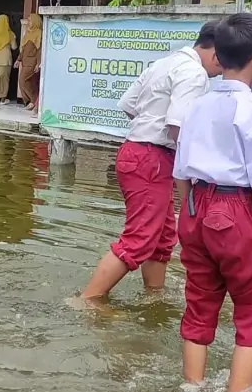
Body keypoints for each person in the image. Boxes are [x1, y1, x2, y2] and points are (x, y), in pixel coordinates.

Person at [173, 13, 252, 392]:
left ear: (220, 54)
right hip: (237, 211)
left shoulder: (196, 106)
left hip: (195, 206)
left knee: (198, 307)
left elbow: (180, 170)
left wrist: (185, 214)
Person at [71, 20, 222, 304]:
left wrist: (148, 129)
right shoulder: (195, 74)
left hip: (137, 152)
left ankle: (154, 297)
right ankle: (87, 300)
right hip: (153, 158)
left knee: (163, 237)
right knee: (140, 238)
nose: (219, 73)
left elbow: (129, 105)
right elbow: (177, 127)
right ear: (216, 54)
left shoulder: (165, 63)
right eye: (222, 65)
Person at [15, 13, 42, 110]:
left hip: (32, 62)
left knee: (23, 80)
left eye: (30, 20)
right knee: (25, 82)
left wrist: (38, 63)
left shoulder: (38, 33)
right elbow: (23, 49)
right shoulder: (28, 33)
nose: (28, 22)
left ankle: (33, 101)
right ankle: (29, 102)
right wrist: (18, 59)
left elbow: (39, 50)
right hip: (25, 62)